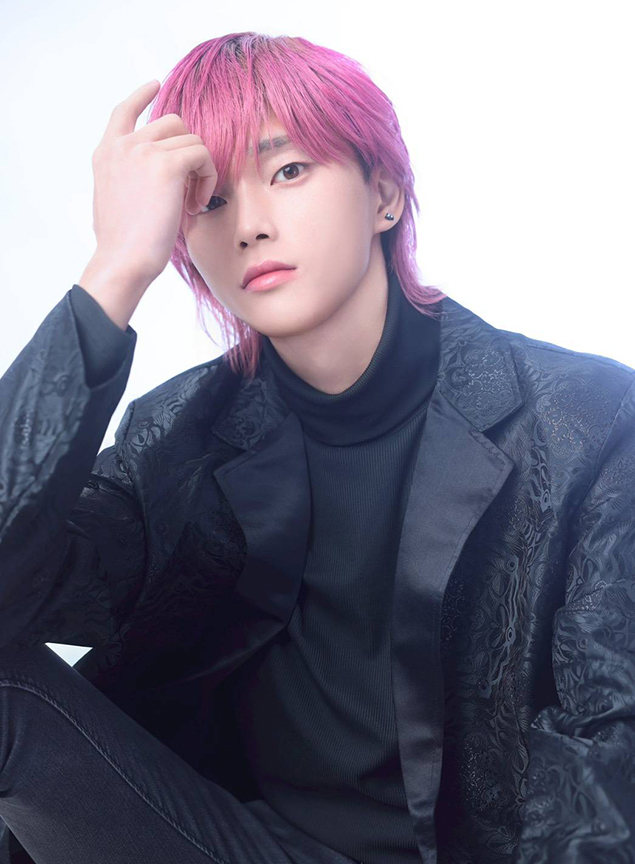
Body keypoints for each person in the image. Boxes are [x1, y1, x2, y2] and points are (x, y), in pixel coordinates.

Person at [0, 31, 634, 864]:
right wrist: (113, 271)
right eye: (210, 201)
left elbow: (607, 747)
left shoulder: (585, 419)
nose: (250, 226)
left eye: (288, 170)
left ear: (385, 194)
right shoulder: (177, 435)